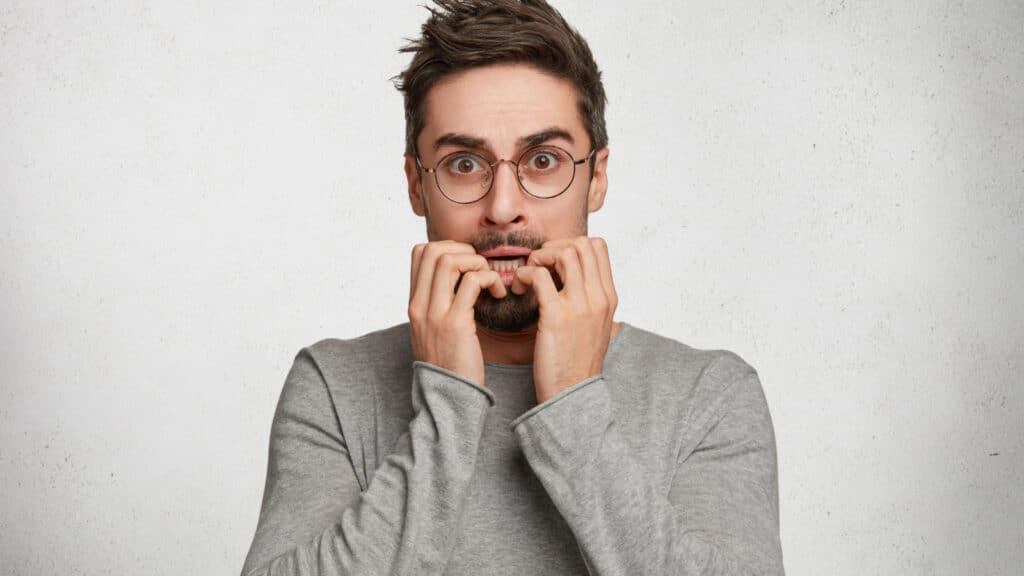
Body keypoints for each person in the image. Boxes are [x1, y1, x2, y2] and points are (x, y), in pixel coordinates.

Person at [240, 1, 784, 574]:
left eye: (543, 160)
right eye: (464, 164)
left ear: (596, 178)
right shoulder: (333, 386)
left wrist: (574, 406)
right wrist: (447, 402)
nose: (503, 208)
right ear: (416, 186)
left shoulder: (711, 396)